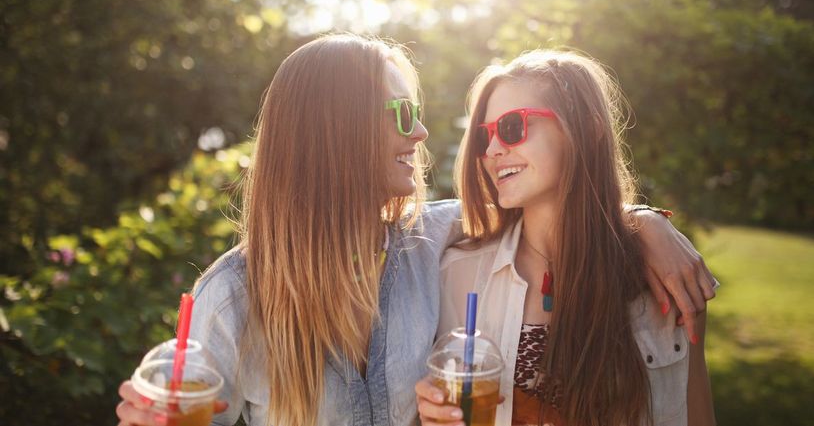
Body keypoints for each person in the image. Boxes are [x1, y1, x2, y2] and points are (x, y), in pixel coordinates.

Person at [115, 35, 713, 426]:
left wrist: (640, 224)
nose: (422, 134)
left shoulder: (430, 243)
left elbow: (553, 205)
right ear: (337, 132)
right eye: (404, 114)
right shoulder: (234, 300)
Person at [415, 50, 717, 426]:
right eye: (484, 137)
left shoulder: (667, 277)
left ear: (587, 130)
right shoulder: (456, 275)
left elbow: (696, 415)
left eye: (512, 127)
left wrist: (646, 223)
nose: (492, 150)